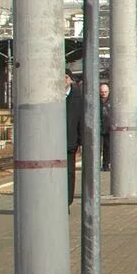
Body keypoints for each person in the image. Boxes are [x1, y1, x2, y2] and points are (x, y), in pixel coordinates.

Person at [65, 71, 83, 207]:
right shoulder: (50, 96)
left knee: (69, 173)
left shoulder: (78, 97)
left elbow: (81, 120)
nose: (63, 80)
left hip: (70, 142)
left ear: (71, 80)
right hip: (52, 143)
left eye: (65, 77)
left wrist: (82, 142)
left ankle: (67, 202)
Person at [99, 82, 111, 171]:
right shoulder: (96, 100)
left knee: (107, 148)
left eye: (105, 92)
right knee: (97, 148)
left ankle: (106, 164)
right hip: (98, 127)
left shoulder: (112, 101)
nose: (103, 93)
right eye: (102, 92)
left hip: (108, 127)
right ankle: (96, 164)